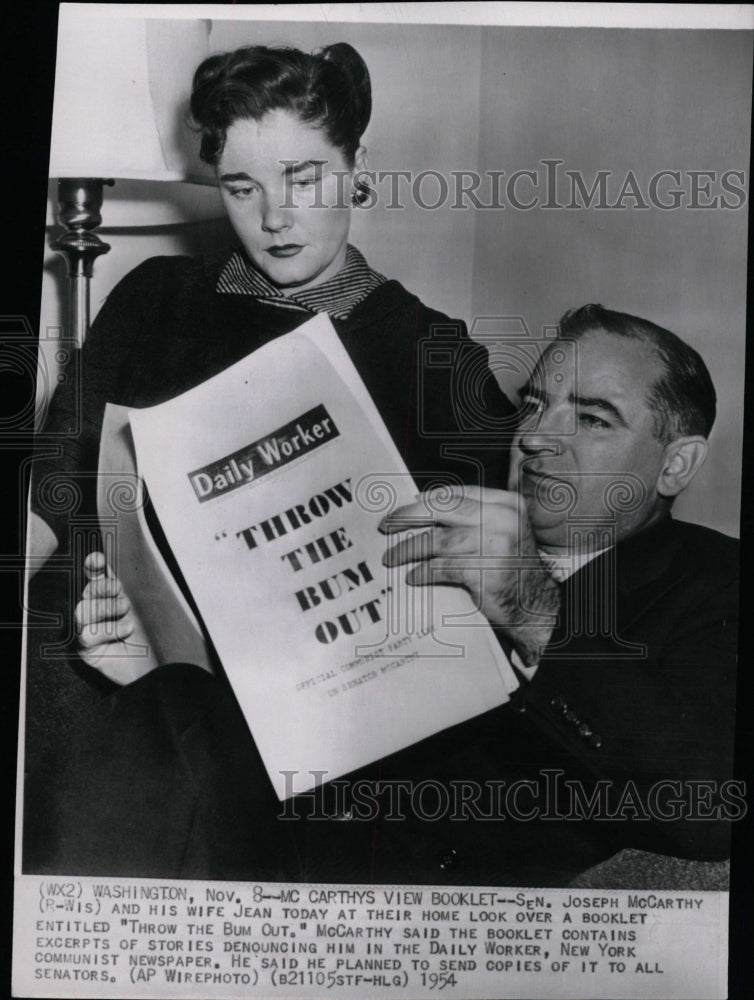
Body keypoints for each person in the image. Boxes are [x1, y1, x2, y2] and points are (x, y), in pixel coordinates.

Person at [24, 43, 516, 876]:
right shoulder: (156, 297)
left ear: (361, 164)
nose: (274, 218)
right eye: (242, 187)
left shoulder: (432, 353)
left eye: (304, 177)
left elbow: (464, 613)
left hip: (295, 716)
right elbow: (48, 502)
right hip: (91, 652)